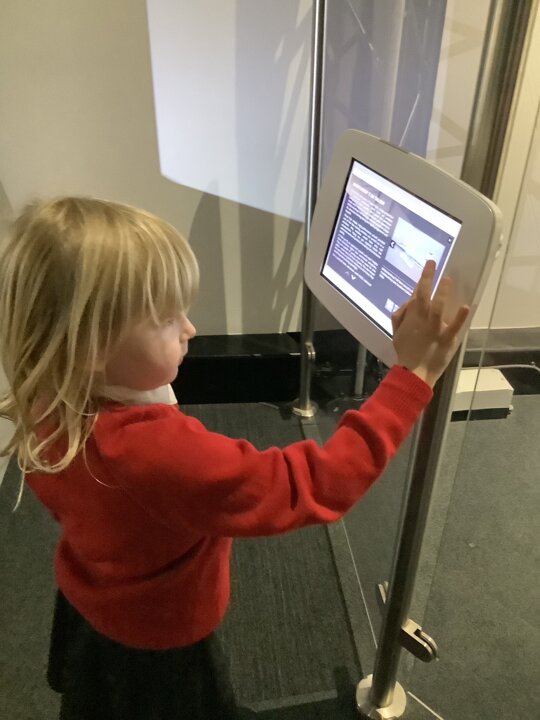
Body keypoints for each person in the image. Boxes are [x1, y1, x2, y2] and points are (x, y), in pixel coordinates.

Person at [0, 197, 469, 719]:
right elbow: (318, 484)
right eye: (166, 319)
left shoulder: (47, 399)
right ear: (90, 347)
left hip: (92, 600)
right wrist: (412, 377)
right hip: (160, 640)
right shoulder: (158, 454)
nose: (190, 329)